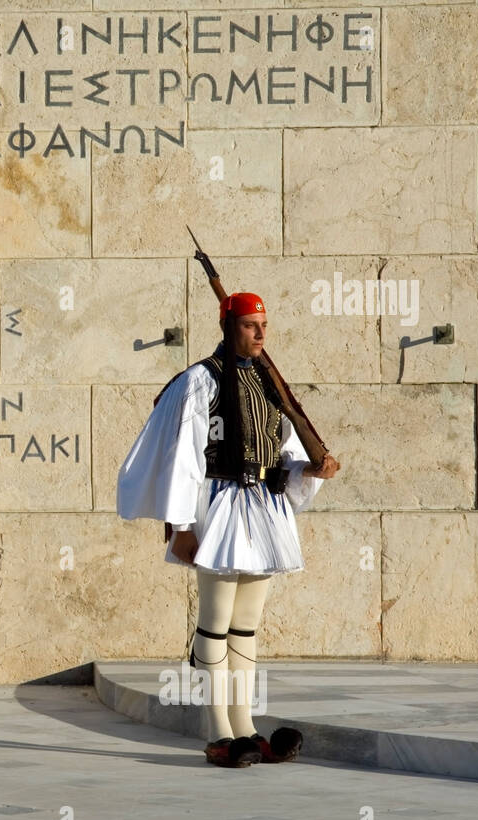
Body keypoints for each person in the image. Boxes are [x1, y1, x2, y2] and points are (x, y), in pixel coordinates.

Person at [116, 292, 341, 767]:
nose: (260, 335)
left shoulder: (268, 382)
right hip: (219, 507)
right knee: (214, 627)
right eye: (249, 326)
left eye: (264, 325)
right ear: (228, 326)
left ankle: (247, 728)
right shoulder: (202, 381)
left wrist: (309, 472)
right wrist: (180, 525)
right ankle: (218, 731)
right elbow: (183, 456)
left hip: (263, 509)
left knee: (245, 629)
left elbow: (280, 454)